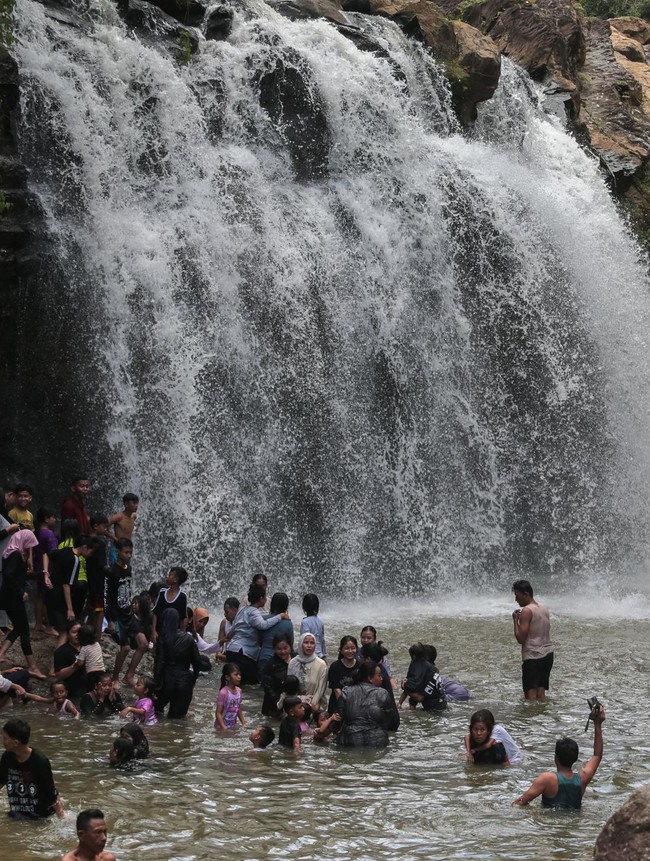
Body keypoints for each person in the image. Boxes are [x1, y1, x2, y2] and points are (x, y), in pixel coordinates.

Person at [513, 705, 605, 808]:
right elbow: (597, 755)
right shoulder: (583, 778)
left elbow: (520, 802)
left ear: (555, 758)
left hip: (549, 823)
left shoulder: (547, 779)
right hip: (573, 822)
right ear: (576, 759)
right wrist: (598, 724)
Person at [0, 530, 47, 677]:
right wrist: (21, 592)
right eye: (28, 544)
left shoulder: (11, 551)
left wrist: (40, 573)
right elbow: (8, 575)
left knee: (19, 628)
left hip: (9, 597)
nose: (29, 548)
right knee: (24, 631)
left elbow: (19, 574)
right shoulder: (15, 554)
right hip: (13, 598)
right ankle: (32, 666)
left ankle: (0, 654)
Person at [225, 584, 289, 686]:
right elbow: (263, 625)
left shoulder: (243, 609)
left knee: (235, 683)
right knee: (250, 684)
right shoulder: (254, 612)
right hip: (242, 653)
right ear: (261, 598)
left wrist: (228, 637)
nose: (267, 599)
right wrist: (280, 616)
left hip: (232, 649)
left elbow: (234, 627)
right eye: (265, 597)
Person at [0, 718, 64, 818]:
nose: (2, 741)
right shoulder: (7, 757)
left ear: (16, 743)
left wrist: (61, 816)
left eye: (5, 738)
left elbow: (51, 792)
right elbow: (1, 781)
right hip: (17, 814)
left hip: (39, 816)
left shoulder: (39, 761)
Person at [46, 535, 97, 644]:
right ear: (84, 547)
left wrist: (45, 573)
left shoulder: (65, 550)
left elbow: (46, 554)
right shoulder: (75, 560)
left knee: (64, 631)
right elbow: (66, 585)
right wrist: (70, 609)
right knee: (65, 632)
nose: (90, 555)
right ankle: (59, 658)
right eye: (90, 552)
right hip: (59, 596)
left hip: (50, 592)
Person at [335, 662, 400, 748]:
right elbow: (388, 720)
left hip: (350, 741)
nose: (381, 678)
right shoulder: (383, 694)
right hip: (377, 742)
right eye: (379, 675)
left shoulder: (346, 692)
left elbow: (338, 719)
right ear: (370, 678)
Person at [153, 608, 202, 718]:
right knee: (177, 722)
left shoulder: (163, 638)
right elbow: (198, 662)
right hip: (184, 683)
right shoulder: (188, 639)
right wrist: (193, 679)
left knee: (156, 714)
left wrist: (154, 687)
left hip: (166, 682)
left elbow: (159, 664)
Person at [512, 579, 553, 700]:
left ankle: (531, 718)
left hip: (533, 656)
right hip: (548, 654)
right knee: (541, 694)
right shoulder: (544, 608)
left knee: (530, 697)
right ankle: (542, 717)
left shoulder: (527, 611)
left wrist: (515, 620)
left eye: (517, 595)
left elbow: (521, 638)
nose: (516, 599)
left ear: (526, 594)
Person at [105, 538, 135, 684]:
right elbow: (107, 597)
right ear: (117, 552)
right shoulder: (111, 571)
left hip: (129, 612)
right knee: (125, 648)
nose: (129, 555)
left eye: (130, 552)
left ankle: (128, 676)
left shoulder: (128, 568)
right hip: (117, 616)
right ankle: (115, 678)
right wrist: (110, 619)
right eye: (126, 552)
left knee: (142, 643)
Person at [287, 632, 328, 716]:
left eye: (312, 643)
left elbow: (321, 688)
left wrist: (312, 704)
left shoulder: (321, 664)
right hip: (296, 706)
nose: (309, 646)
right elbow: (289, 686)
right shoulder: (293, 663)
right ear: (301, 644)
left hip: (315, 705)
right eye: (306, 642)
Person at [32, 506, 59, 634]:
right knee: (49, 598)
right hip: (47, 569)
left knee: (40, 596)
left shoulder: (38, 532)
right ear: (46, 519)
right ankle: (49, 626)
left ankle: (38, 623)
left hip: (38, 567)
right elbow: (53, 553)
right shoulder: (49, 534)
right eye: (53, 517)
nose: (56, 519)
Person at [399, 642, 447, 711]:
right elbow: (413, 689)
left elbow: (420, 698)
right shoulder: (424, 673)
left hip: (436, 710)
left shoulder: (432, 675)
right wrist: (399, 704)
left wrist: (404, 687)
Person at [86, 514, 111, 641]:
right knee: (99, 611)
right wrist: (113, 573)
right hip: (97, 581)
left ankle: (86, 636)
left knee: (91, 610)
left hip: (89, 580)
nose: (106, 530)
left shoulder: (86, 540)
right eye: (104, 527)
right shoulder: (99, 544)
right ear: (95, 526)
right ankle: (96, 639)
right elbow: (102, 565)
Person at [257, 592, 294, 672]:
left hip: (264, 657)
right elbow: (290, 644)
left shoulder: (263, 619)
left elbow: (258, 640)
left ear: (272, 604)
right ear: (286, 606)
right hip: (281, 660)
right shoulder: (288, 623)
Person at [151, 567, 189, 642]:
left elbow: (183, 618)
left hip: (174, 632)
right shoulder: (162, 592)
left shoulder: (182, 596)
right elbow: (156, 613)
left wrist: (182, 634)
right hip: (160, 631)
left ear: (176, 580)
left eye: (170, 575)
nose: (167, 576)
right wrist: (153, 631)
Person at [53, 620, 87, 700]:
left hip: (89, 689)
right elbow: (59, 675)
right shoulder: (61, 651)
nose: (77, 635)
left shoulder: (87, 647)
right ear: (68, 634)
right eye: (74, 632)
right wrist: (75, 666)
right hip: (72, 692)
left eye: (80, 632)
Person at [261, 633, 292, 717]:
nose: (282, 652)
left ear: (290, 646)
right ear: (274, 649)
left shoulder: (296, 660)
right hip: (273, 708)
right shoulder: (270, 665)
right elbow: (268, 688)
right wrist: (281, 703)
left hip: (292, 705)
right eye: (279, 649)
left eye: (285, 648)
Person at [327, 635, 359, 714]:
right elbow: (337, 691)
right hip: (337, 706)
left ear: (357, 649)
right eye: (346, 648)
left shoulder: (360, 666)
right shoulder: (335, 666)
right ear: (341, 650)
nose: (350, 651)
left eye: (353, 648)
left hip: (356, 705)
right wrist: (345, 708)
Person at [214, 663, 245, 730]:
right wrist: (223, 727)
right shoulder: (223, 692)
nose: (239, 677)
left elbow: (238, 708)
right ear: (227, 677)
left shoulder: (239, 691)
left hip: (233, 725)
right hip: (221, 726)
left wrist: (243, 723)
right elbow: (218, 713)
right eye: (236, 675)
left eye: (239, 674)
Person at [75, 624, 106, 688]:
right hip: (102, 671)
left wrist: (75, 665)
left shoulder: (84, 648)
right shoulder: (97, 644)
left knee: (91, 689)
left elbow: (80, 663)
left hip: (92, 673)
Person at [300, 593, 325, 658]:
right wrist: (324, 654)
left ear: (304, 607)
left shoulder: (305, 622)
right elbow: (322, 640)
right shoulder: (320, 620)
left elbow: (304, 640)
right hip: (320, 655)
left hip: (311, 655)